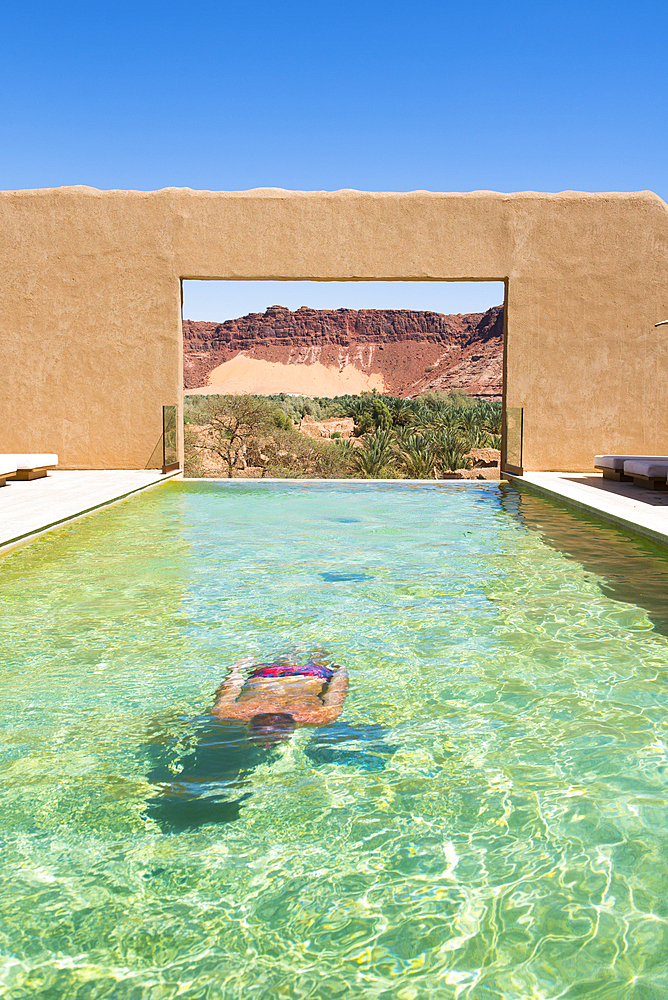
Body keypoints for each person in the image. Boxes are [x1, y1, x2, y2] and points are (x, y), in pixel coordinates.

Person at [211, 655, 349, 745]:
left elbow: (337, 690)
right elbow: (229, 687)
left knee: (289, 656)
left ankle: (297, 647)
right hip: (269, 674)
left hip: (310, 675)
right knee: (318, 656)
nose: (267, 746)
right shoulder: (228, 713)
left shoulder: (319, 717)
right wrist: (235, 671)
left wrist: (341, 672)